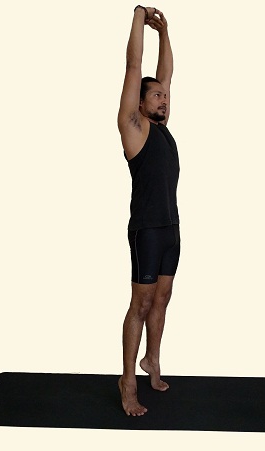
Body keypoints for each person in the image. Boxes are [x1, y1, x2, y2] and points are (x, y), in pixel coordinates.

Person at [117, 5, 179, 416]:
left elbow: (166, 72)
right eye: (155, 95)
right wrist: (140, 18)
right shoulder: (134, 129)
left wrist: (166, 31)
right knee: (140, 304)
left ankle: (152, 362)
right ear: (139, 103)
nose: (163, 99)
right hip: (147, 230)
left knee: (163, 297)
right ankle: (127, 382)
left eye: (164, 96)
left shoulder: (162, 128)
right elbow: (134, 66)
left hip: (172, 227)